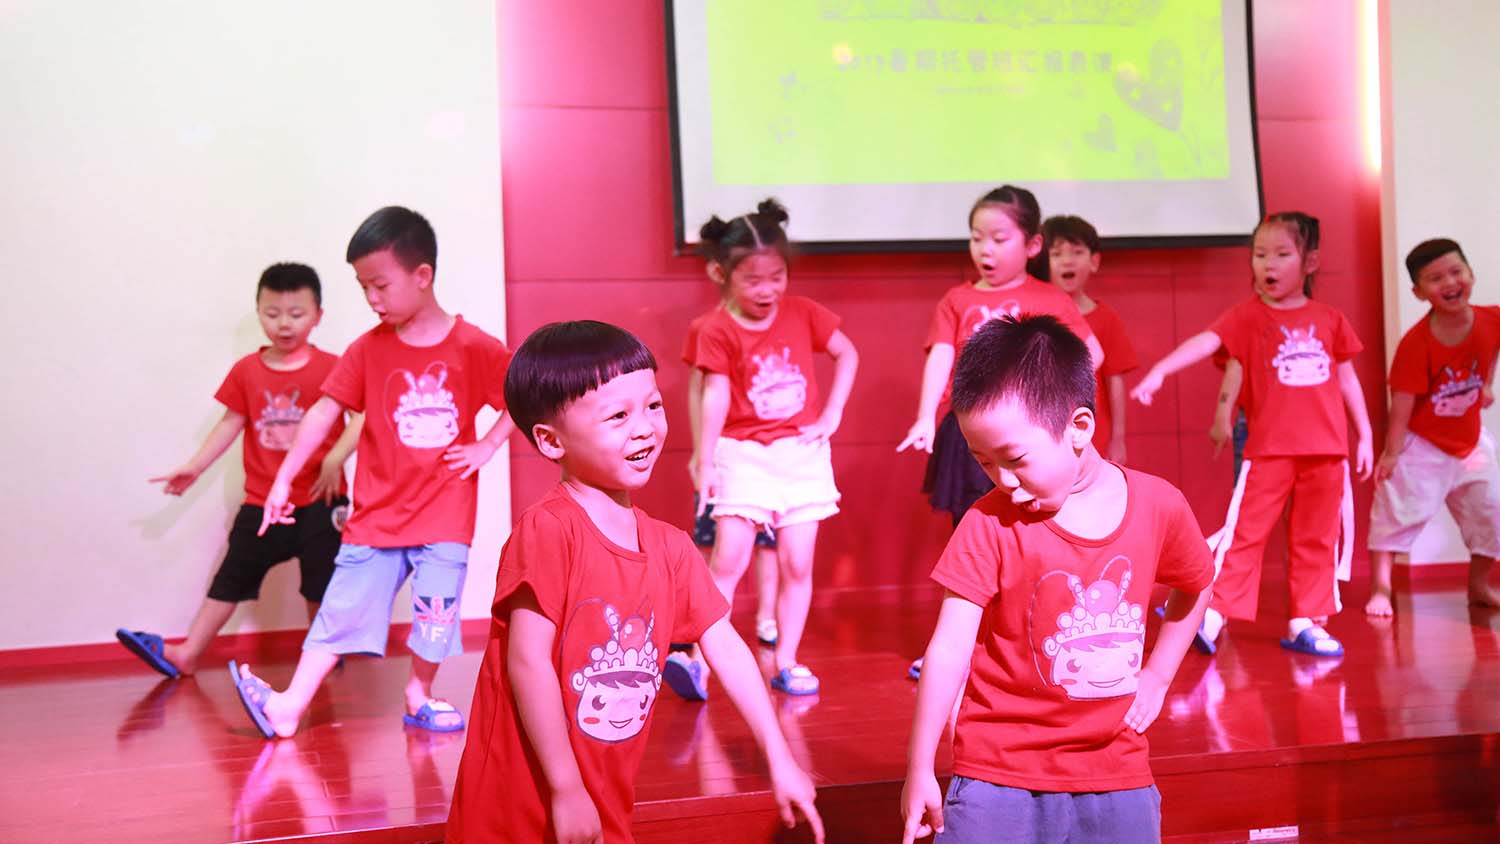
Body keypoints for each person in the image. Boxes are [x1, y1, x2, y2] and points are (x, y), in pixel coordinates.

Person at [444, 320, 823, 844]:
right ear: (551, 441)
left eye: (653, 406)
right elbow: (528, 662)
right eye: (618, 416)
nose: (644, 428)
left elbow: (727, 648)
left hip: (604, 798)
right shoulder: (549, 529)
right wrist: (566, 789)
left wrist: (780, 758)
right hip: (519, 805)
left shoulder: (670, 547)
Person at [900, 315, 1213, 844]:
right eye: (984, 462)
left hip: (1117, 770)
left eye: (1015, 459)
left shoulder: (1159, 505)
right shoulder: (988, 522)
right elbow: (949, 647)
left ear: (1079, 428)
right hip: (996, 772)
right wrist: (920, 766)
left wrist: (1159, 676)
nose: (1003, 481)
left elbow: (1197, 582)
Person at [230, 206, 514, 737]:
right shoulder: (367, 349)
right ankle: (289, 706)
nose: (372, 299)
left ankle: (419, 694)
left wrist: (488, 446)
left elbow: (523, 397)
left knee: (436, 609)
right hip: (377, 514)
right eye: (364, 288)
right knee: (341, 606)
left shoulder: (472, 346)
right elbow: (323, 412)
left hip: (446, 511)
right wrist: (283, 479)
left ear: (422, 275)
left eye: (380, 285)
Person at [1133, 212, 1373, 657]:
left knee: (1318, 538)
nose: (1268, 264)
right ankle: (1212, 612)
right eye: (1260, 254)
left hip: (1328, 453)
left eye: (1282, 254)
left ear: (1310, 261)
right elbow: (1206, 342)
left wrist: (1366, 436)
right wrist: (1162, 369)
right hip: (1269, 451)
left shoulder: (1330, 319)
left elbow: (1347, 381)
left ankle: (1307, 621)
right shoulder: (1247, 316)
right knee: (1244, 533)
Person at [117, 263, 360, 678]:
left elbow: (362, 415)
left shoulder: (334, 367)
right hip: (264, 501)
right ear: (259, 312)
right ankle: (187, 654)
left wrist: (336, 457)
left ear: (318, 315)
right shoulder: (247, 370)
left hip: (322, 499)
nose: (284, 324)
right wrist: (194, 468)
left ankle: (323, 657)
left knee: (322, 582)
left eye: (296, 313)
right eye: (272, 313)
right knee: (232, 574)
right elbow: (230, 423)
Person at [662, 199, 859, 700]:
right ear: (722, 276)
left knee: (798, 565)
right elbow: (713, 395)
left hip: (801, 455)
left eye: (777, 277)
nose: (767, 290)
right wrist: (704, 459)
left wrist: (831, 414)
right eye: (752, 280)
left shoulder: (803, 312)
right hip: (743, 454)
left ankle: (787, 660)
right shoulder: (716, 329)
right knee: (728, 561)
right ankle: (698, 661)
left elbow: (847, 353)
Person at [898, 186, 1104, 527]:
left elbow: (1092, 353)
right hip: (971, 434)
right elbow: (941, 355)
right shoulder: (956, 300)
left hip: (1032, 432)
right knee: (975, 519)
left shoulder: (1050, 299)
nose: (985, 249)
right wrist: (925, 416)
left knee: (1038, 519)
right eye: (977, 238)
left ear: (1032, 245)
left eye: (999, 239)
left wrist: (1048, 392)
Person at [1366, 238, 1500, 616]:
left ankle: (1479, 585)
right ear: (1419, 292)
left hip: (1469, 441)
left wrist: (1486, 384)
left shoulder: (1492, 319)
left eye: (1456, 272)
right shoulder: (1416, 344)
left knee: (1490, 512)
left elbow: (1492, 348)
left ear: (1471, 274)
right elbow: (1402, 404)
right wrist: (1392, 454)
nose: (1450, 283)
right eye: (1436, 278)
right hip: (1422, 444)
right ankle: (1381, 588)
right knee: (1395, 513)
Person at [683, 305, 781, 648]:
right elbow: (698, 390)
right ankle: (700, 621)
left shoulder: (776, 326)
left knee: (769, 544)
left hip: (768, 457)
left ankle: (767, 617)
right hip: (724, 455)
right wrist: (701, 451)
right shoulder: (706, 327)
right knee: (709, 541)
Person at [1043, 214, 1140, 463]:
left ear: (1094, 261)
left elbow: (1114, 381)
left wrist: (1118, 438)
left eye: (1077, 252)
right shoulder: (1034, 314)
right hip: (1043, 432)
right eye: (1056, 254)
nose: (1067, 261)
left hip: (1093, 435)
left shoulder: (1106, 318)